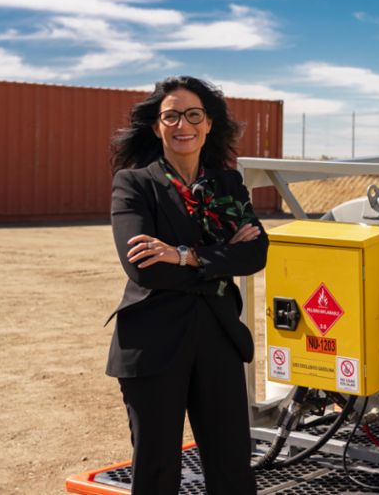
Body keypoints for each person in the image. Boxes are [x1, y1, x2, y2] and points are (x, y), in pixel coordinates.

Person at [106, 76, 268, 494]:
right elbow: (143, 268)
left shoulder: (227, 184)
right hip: (153, 340)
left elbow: (255, 254)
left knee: (232, 463)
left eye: (193, 115)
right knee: (158, 469)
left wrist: (183, 255)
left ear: (209, 124)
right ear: (157, 126)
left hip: (217, 335)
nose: (184, 125)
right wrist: (218, 254)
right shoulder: (135, 184)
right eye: (171, 116)